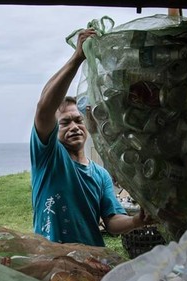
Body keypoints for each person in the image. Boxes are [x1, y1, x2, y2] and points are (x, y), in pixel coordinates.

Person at [30, 28, 154, 247]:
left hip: (91, 261)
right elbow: (44, 107)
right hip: (50, 260)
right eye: (65, 123)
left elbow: (112, 221)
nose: (74, 127)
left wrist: (136, 220)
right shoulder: (48, 158)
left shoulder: (101, 175)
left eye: (78, 120)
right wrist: (77, 58)